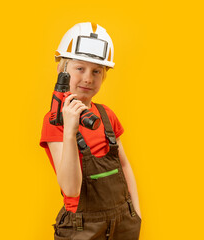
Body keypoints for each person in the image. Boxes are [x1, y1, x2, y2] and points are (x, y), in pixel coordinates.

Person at [40, 22, 141, 240]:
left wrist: (136, 212)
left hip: (124, 220)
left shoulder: (106, 115)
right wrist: (70, 130)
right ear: (62, 71)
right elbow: (71, 189)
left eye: (96, 71)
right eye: (80, 68)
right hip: (83, 227)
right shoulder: (55, 121)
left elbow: (123, 164)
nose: (88, 78)